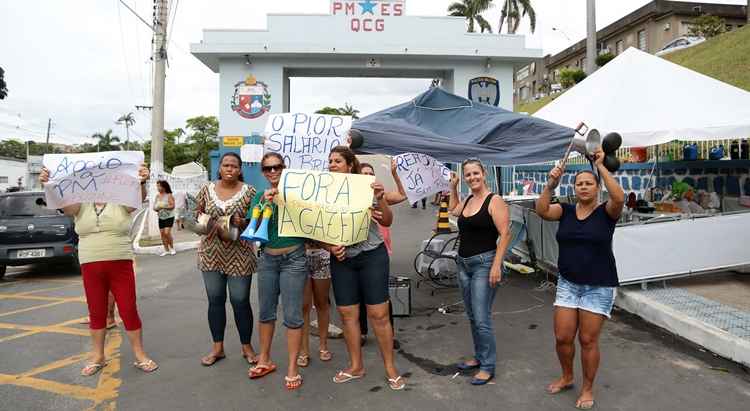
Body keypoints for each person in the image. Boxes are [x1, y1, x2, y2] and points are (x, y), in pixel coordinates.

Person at [39, 164, 158, 376]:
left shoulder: (121, 201)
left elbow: (137, 199)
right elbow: (61, 202)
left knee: (129, 309)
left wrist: (141, 181)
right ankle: (98, 356)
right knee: (97, 311)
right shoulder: (80, 204)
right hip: (90, 263)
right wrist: (48, 184)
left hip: (120, 262)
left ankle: (140, 355)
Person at [535, 147, 625, 410]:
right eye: (579, 184)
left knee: (587, 340)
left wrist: (602, 167)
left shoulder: (607, 213)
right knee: (563, 337)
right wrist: (551, 184)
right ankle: (567, 376)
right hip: (568, 283)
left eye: (589, 183)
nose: (584, 187)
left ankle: (587, 388)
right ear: (574, 188)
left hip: (599, 286)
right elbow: (541, 210)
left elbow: (619, 197)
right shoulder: (565, 211)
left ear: (596, 188)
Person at [325, 146, 405, 390]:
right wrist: (329, 246)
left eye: (337, 161)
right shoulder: (322, 192)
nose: (331, 165)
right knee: (348, 315)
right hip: (342, 260)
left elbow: (387, 220)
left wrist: (380, 197)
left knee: (379, 314)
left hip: (372, 255)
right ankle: (355, 366)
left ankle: (390, 367)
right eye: (329, 161)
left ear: (350, 165)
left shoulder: (366, 186)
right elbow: (313, 228)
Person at [447, 158, 511, 386]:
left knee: (482, 317)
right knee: (473, 315)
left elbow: (505, 234)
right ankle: (479, 356)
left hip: (485, 263)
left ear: (484, 174)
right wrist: (453, 187)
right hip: (463, 263)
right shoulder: (467, 200)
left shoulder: (495, 201)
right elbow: (453, 211)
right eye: (468, 175)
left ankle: (488, 366)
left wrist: (496, 265)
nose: (472, 178)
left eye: (476, 173)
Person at [247, 152, 308, 391]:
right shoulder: (259, 197)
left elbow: (309, 221)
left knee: (293, 314)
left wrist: (284, 200)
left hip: (294, 259)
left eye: (277, 167)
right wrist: (265, 204)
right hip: (268, 260)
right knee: (266, 313)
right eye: (267, 169)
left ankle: (293, 367)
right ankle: (265, 359)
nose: (272, 172)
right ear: (263, 172)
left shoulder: (298, 195)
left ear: (284, 168)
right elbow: (253, 229)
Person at [195, 152, 258, 369]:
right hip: (211, 253)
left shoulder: (250, 192)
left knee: (240, 301)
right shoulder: (206, 189)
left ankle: (247, 346)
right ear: (219, 168)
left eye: (234, 166)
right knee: (215, 300)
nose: (229, 169)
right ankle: (217, 348)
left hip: (240, 253)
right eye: (226, 165)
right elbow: (196, 214)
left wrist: (244, 222)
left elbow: (256, 221)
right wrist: (204, 223)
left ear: (240, 170)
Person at [154, 180, 176, 256]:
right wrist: (156, 208)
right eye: (157, 186)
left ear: (164, 186)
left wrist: (163, 206)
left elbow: (172, 206)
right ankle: (166, 250)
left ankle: (172, 248)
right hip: (161, 217)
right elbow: (154, 207)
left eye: (159, 186)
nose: (158, 188)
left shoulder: (169, 195)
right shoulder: (157, 196)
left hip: (169, 216)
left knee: (167, 233)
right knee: (162, 234)